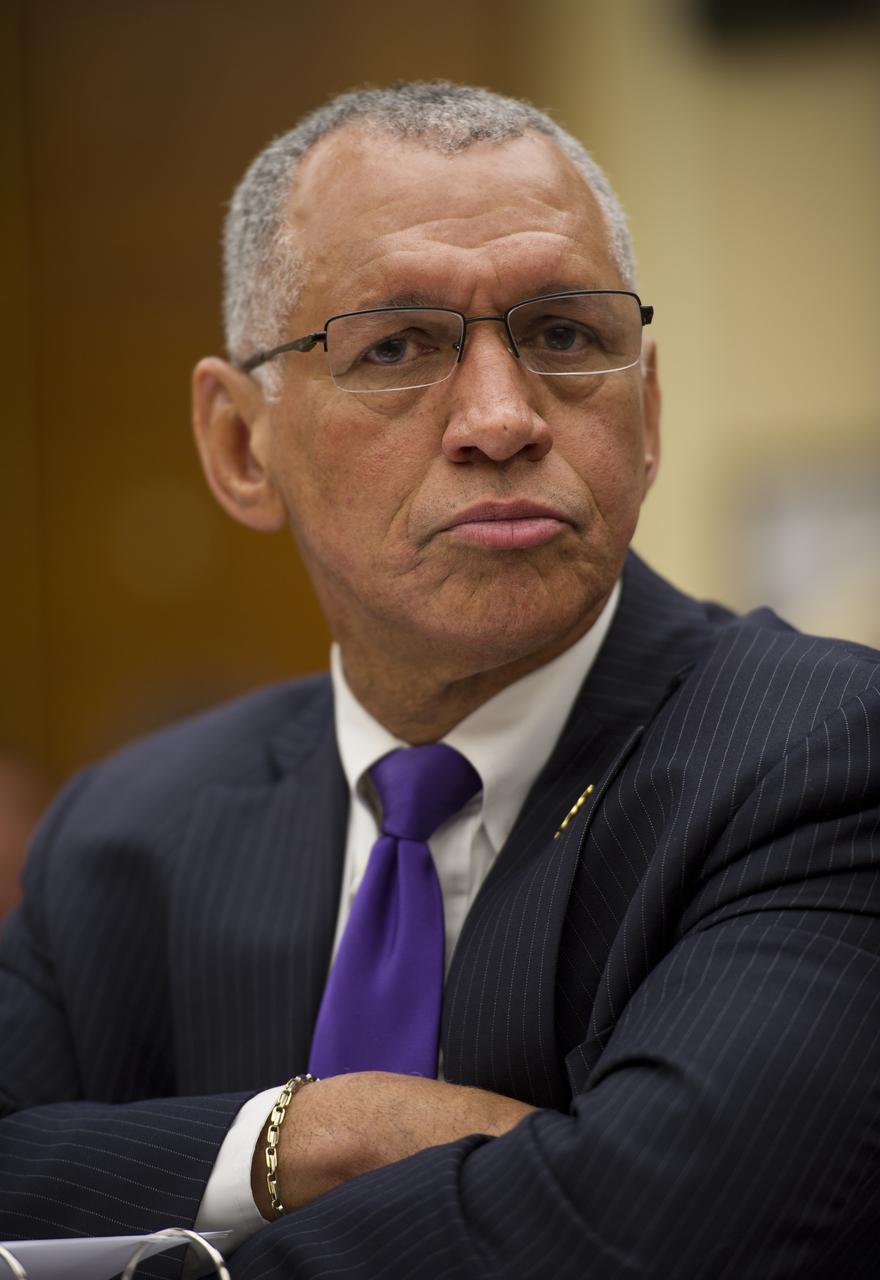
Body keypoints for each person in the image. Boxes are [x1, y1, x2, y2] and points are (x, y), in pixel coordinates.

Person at [1, 81, 878, 1279]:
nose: (501, 417)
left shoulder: (819, 752)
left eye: (564, 335)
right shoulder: (123, 835)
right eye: (397, 345)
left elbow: (643, 1232)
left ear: (648, 403)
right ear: (238, 445)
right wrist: (306, 1136)